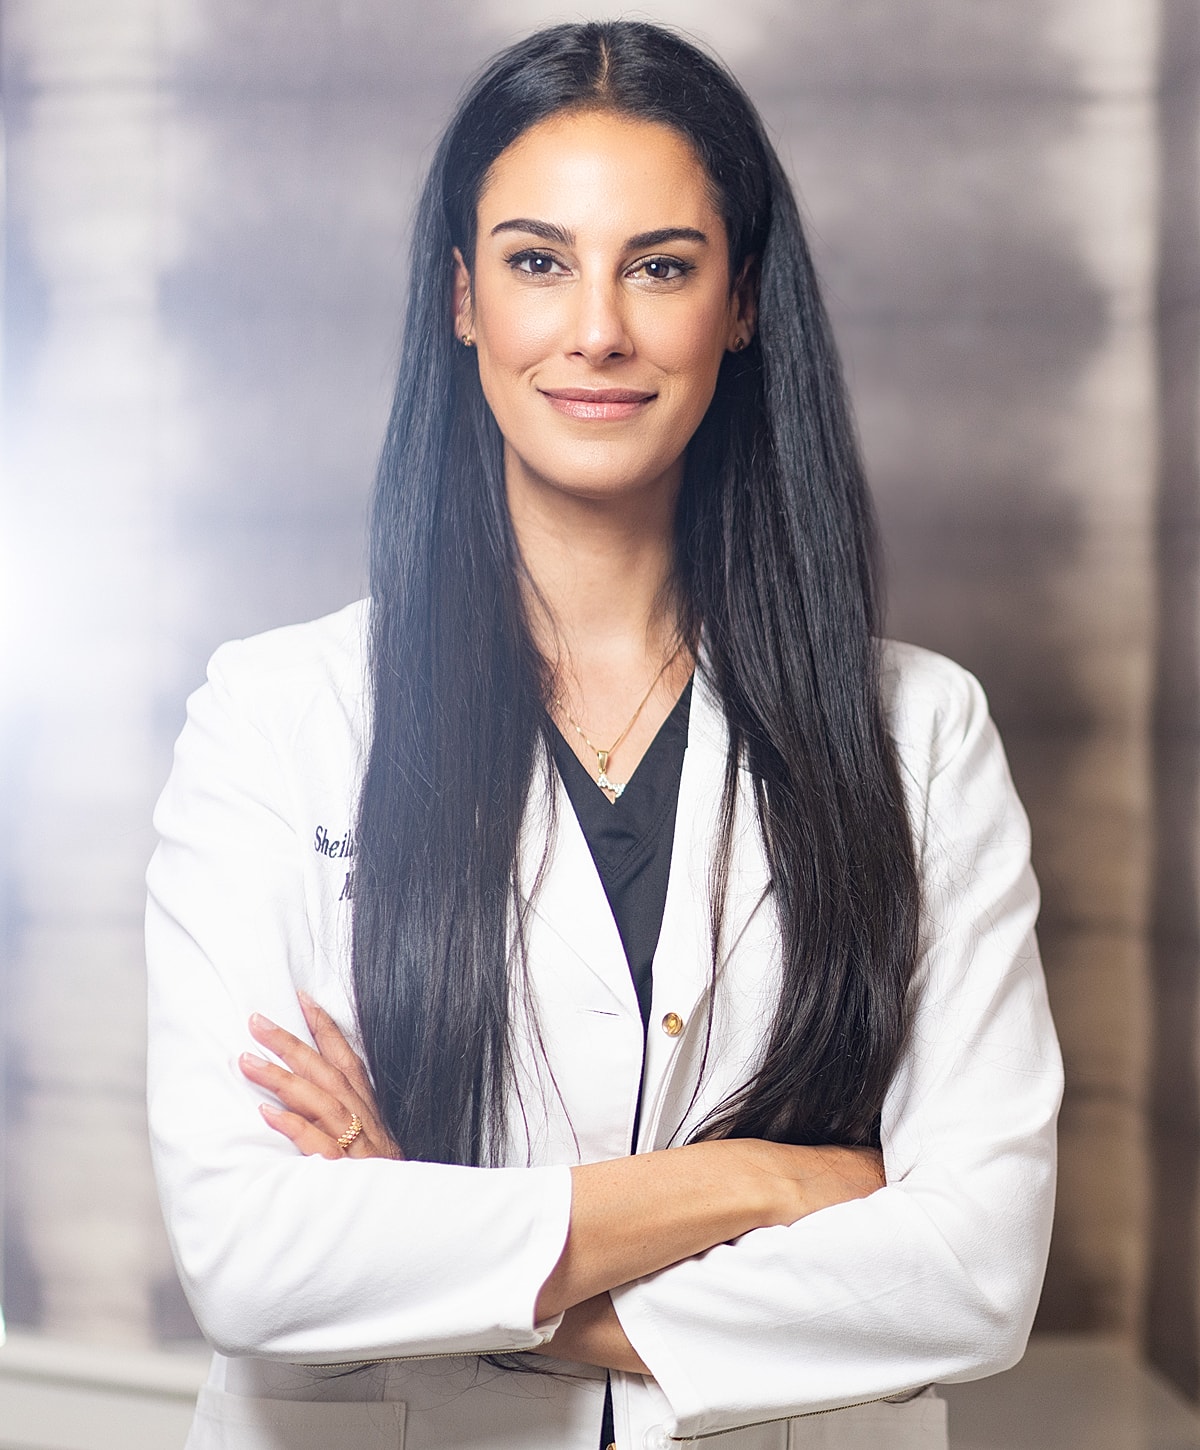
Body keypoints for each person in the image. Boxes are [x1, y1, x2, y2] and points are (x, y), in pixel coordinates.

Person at [145, 20, 1062, 1450]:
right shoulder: (277, 720)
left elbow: (978, 1270)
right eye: (536, 260)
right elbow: (252, 1251)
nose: (597, 330)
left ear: (740, 303)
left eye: (661, 265)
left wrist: (458, 1256)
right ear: (462, 300)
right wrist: (762, 1182)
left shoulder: (921, 734)